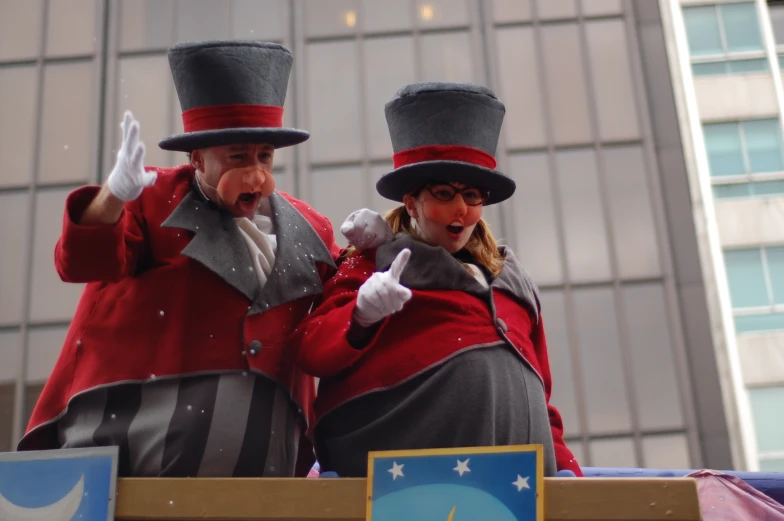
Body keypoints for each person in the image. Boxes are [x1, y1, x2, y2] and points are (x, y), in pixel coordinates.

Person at [17, 40, 390, 478]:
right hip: (131, 455)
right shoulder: (153, 199)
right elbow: (80, 261)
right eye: (237, 156)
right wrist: (113, 197)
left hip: (264, 464)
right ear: (197, 159)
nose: (255, 172)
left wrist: (375, 251)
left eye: (264, 156)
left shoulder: (312, 229)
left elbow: (341, 309)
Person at [291, 82, 583, 478]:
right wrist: (359, 316)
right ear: (411, 202)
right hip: (410, 495)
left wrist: (568, 477)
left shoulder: (511, 282)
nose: (461, 207)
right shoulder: (372, 265)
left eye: (473, 195)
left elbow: (542, 399)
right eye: (444, 193)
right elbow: (310, 351)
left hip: (516, 495)